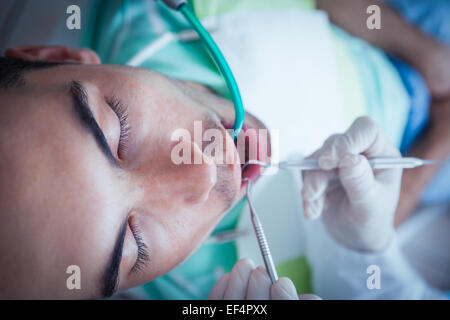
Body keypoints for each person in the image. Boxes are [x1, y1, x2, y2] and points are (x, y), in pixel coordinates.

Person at [0, 0, 448, 299]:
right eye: (133, 246)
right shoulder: (200, 296)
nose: (204, 175)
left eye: (119, 130)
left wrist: (421, 52)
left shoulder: (163, 16)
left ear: (59, 55)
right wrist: (376, 241)